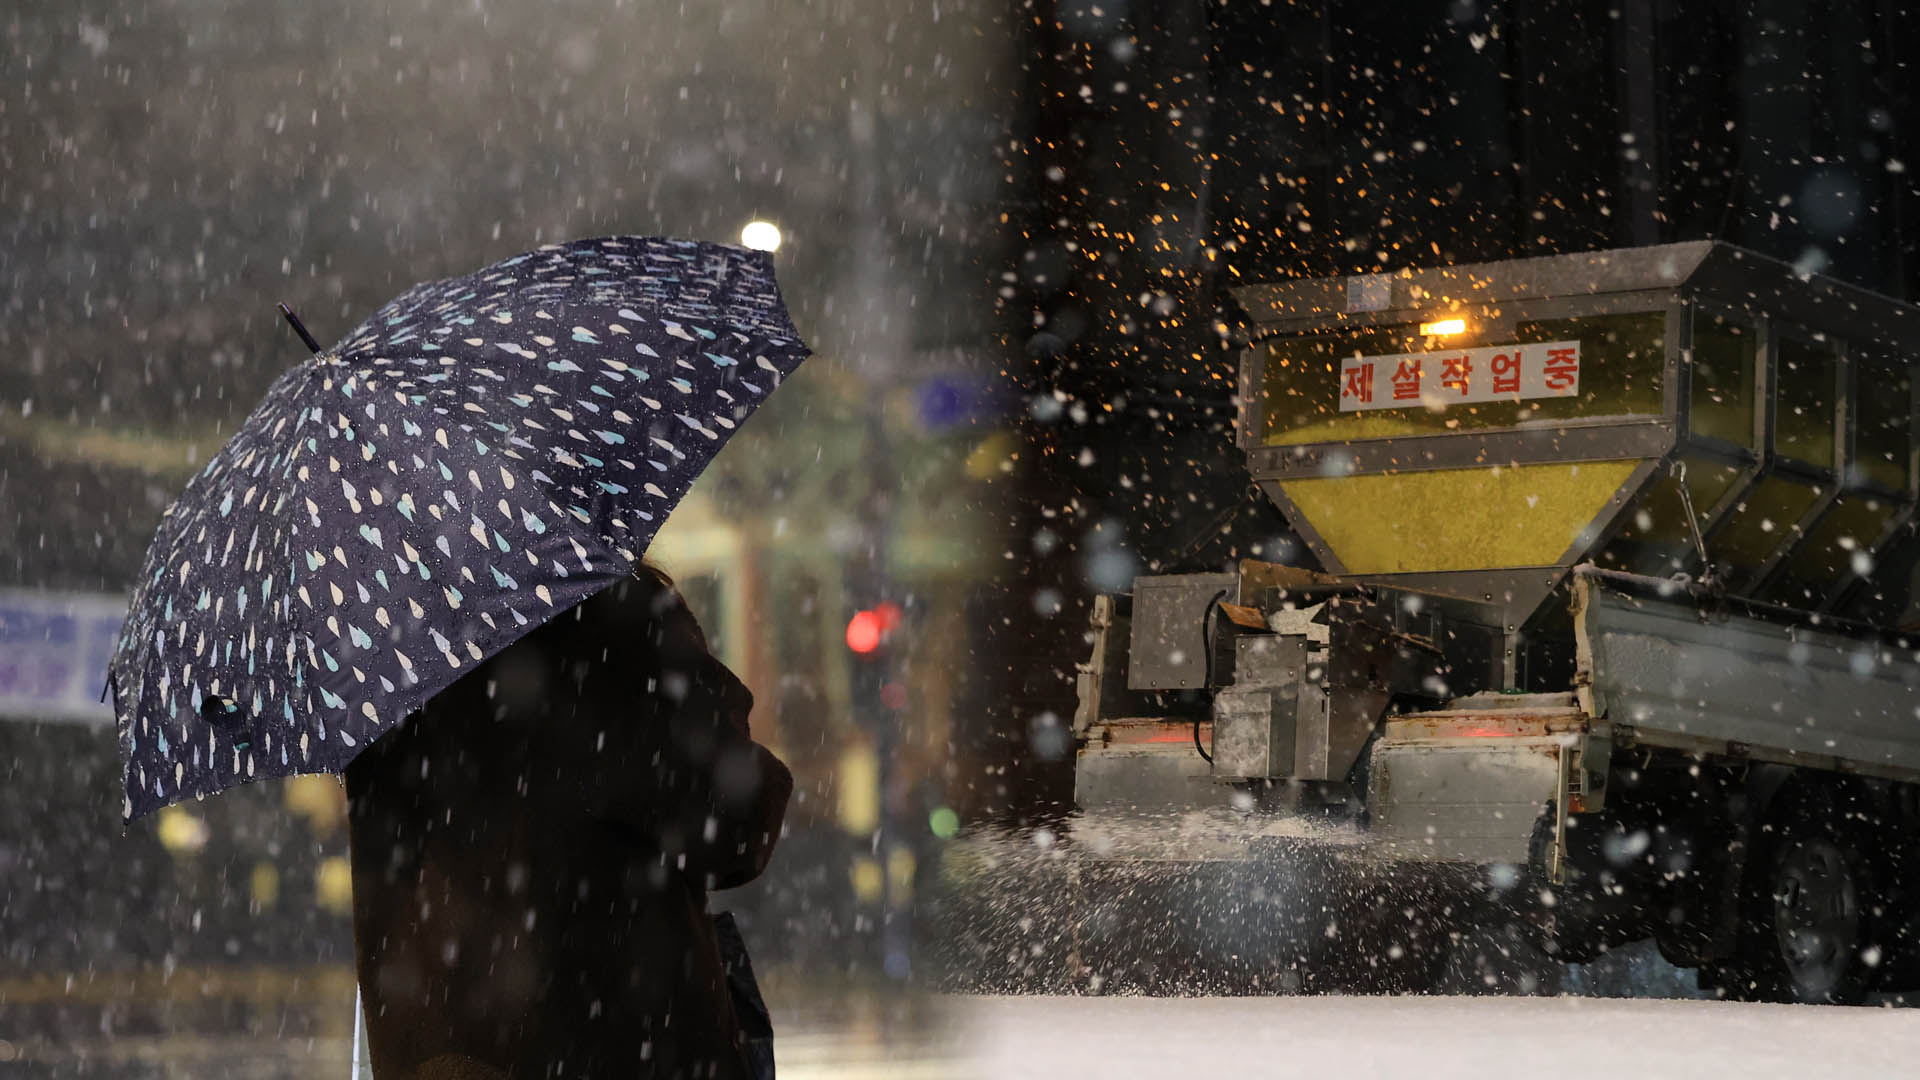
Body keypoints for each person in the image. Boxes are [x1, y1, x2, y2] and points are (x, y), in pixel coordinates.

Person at [344, 567, 792, 1079]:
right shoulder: (599, 611)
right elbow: (739, 822)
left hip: (442, 1057)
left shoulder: (376, 644)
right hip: (607, 1046)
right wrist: (712, 691)